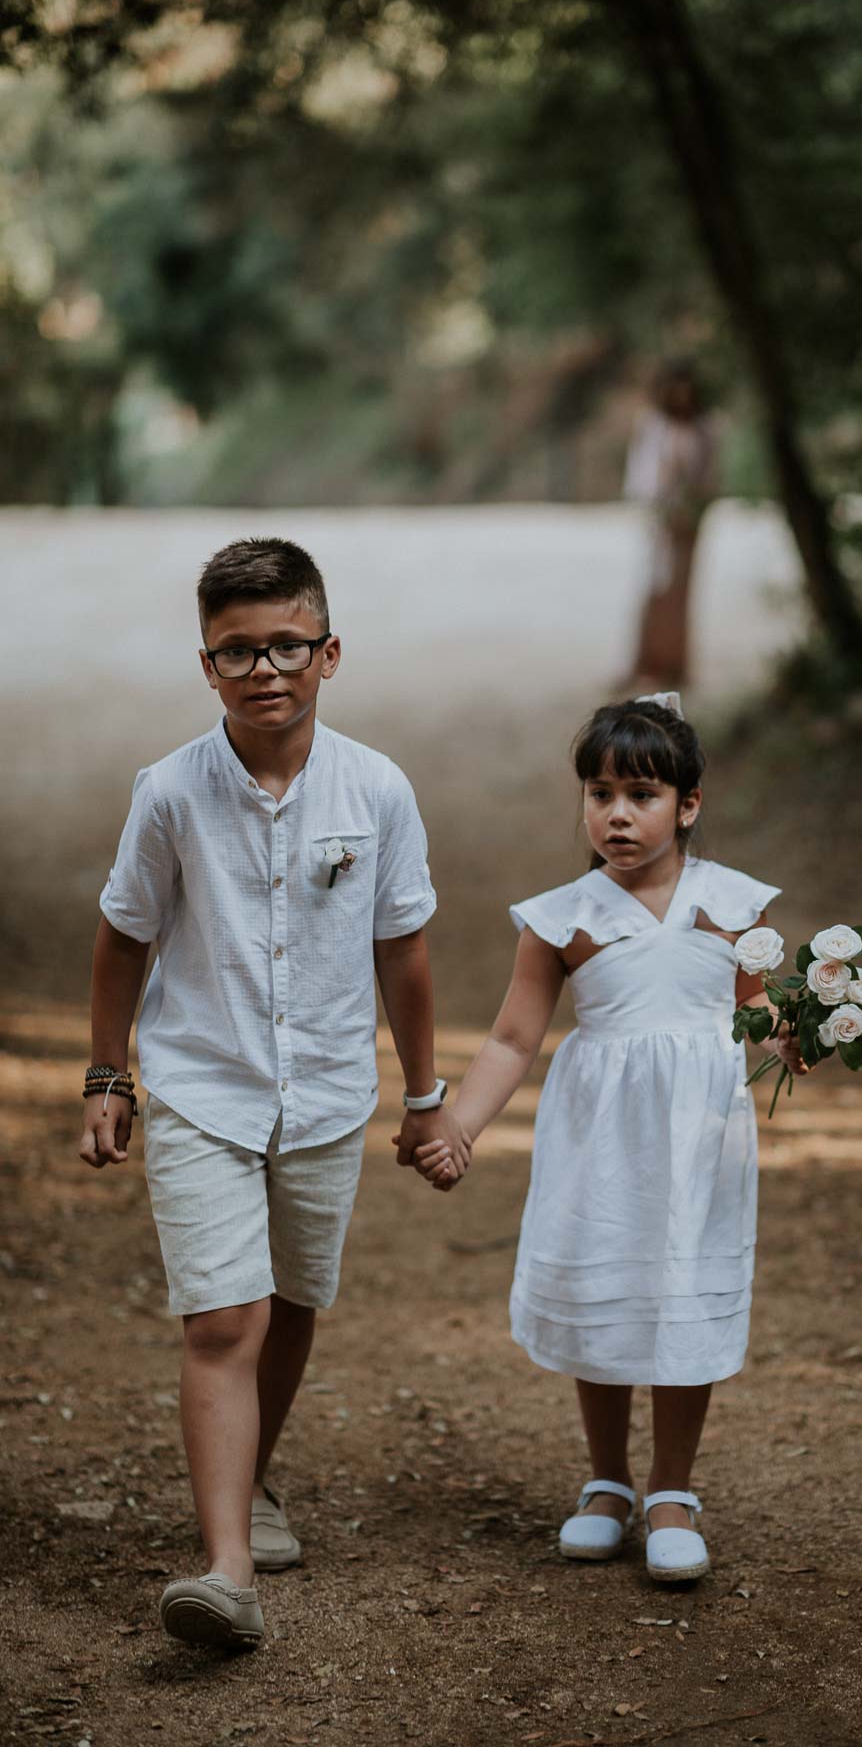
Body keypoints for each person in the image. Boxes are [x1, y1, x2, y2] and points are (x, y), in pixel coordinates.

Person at [80, 537, 467, 1650]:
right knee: (223, 1316)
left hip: (331, 1089)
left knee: (292, 1298)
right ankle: (227, 1570)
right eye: (236, 650)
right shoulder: (170, 793)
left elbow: (406, 949)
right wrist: (111, 1073)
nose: (263, 668)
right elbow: (124, 935)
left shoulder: (377, 787)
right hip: (205, 1081)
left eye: (285, 644)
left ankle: (252, 1480)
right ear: (206, 665)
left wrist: (426, 1092)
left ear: (328, 651)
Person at [407, 693, 804, 1583]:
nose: (616, 815)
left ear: (687, 805)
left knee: (678, 1286)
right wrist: (460, 1130)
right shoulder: (562, 918)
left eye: (641, 796)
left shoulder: (734, 908)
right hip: (602, 1135)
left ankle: (671, 1489)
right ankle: (606, 1481)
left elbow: (756, 1011)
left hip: (697, 1136)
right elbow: (513, 1038)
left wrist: (798, 1034)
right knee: (609, 1284)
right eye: (598, 794)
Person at [623, 362, 718, 690]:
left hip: (688, 521)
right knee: (653, 588)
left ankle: (676, 666)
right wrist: (657, 507)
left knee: (680, 593)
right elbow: (641, 474)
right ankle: (645, 662)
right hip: (659, 519)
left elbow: (710, 477)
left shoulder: (705, 427)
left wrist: (692, 508)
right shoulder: (653, 424)